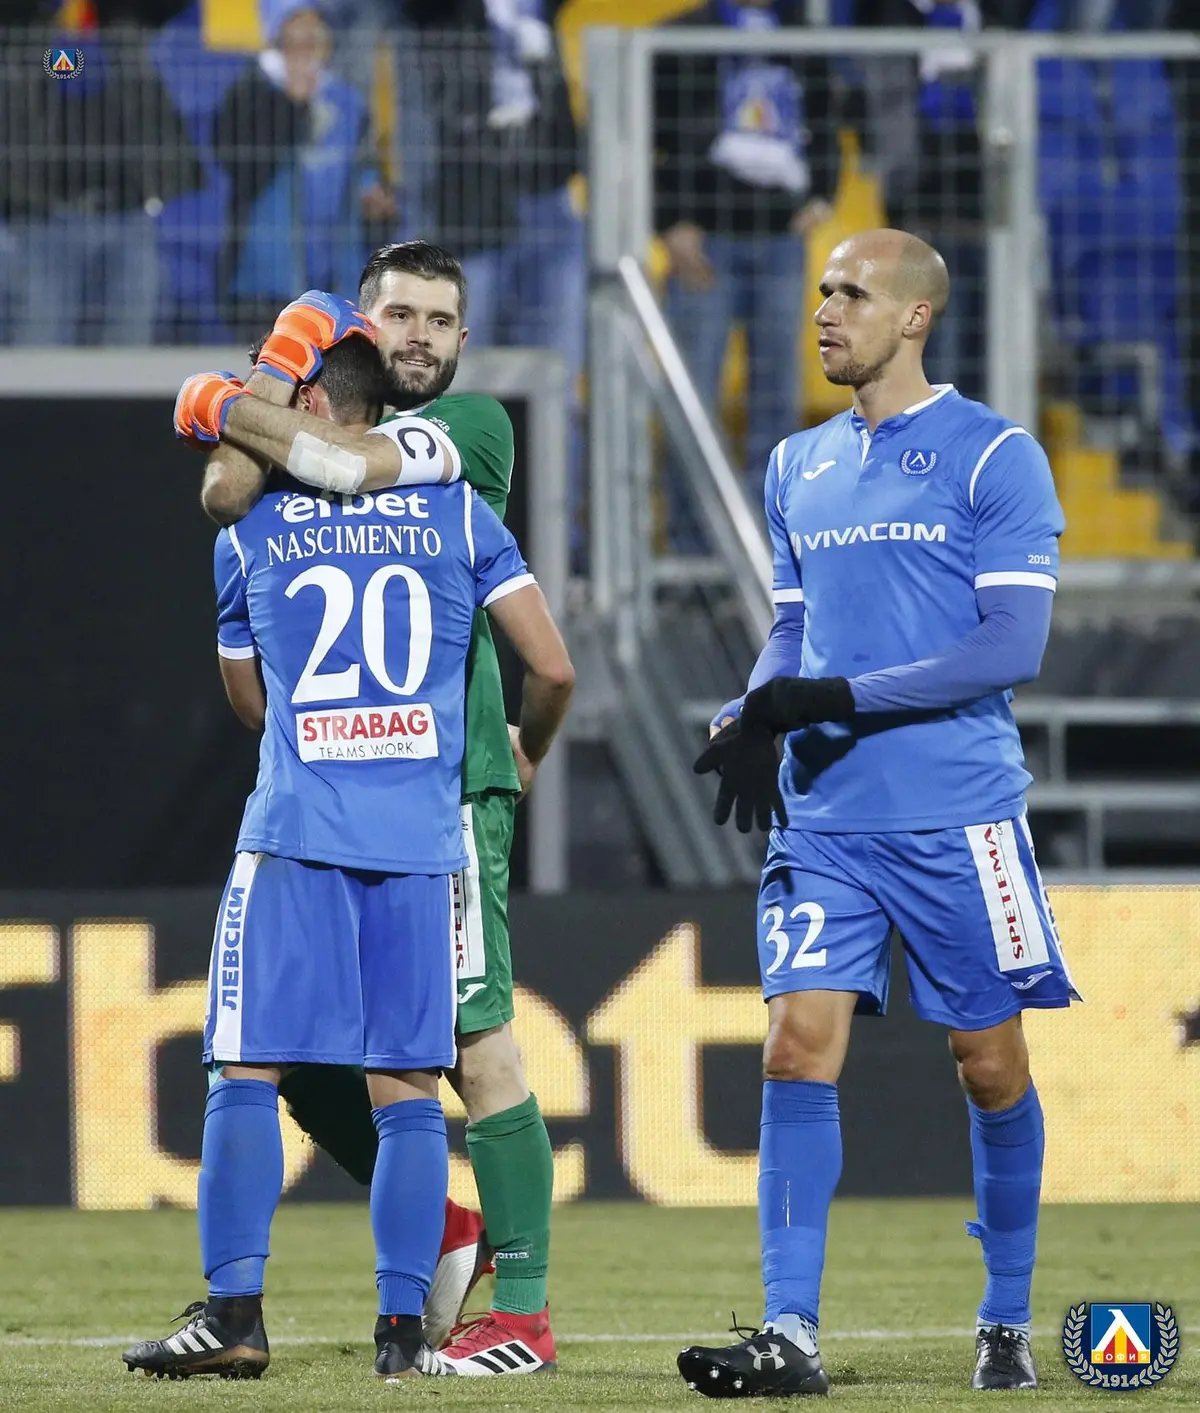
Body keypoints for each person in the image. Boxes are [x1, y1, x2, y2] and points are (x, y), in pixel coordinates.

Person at [122, 293, 574, 1382]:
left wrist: (228, 404)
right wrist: (521, 745)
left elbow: (249, 700)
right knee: (408, 1088)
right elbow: (553, 665)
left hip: (298, 829)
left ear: (315, 404)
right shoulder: (458, 513)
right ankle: (402, 1333)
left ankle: (236, 1315)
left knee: (244, 1067)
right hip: (421, 840)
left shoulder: (252, 529)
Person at [680, 229, 1076, 1397]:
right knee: (795, 1046)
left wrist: (830, 697)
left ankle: (1005, 1319)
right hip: (826, 819)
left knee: (988, 1065)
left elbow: (1010, 647)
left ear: (914, 316)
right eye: (821, 291)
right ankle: (789, 1331)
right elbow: (794, 629)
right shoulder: (796, 463)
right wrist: (758, 708)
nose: (825, 311)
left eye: (851, 293)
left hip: (960, 816)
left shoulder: (996, 455)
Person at [654, 0, 840, 489]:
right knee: (692, 396)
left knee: (778, 396)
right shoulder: (681, 35)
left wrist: (824, 194)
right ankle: (693, 532)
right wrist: (670, 222)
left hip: (781, 240)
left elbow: (827, 119)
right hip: (704, 241)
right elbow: (649, 135)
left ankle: (768, 527)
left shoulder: (804, 37)